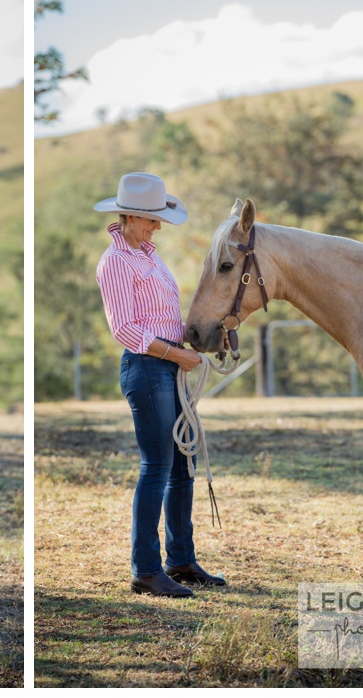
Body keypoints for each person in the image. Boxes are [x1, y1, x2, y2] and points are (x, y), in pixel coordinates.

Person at [94, 172, 227, 598]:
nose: (158, 226)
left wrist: (195, 339)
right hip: (148, 368)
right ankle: (146, 569)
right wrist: (175, 354)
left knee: (181, 466)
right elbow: (126, 329)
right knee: (157, 467)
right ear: (130, 217)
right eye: (152, 220)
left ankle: (181, 559)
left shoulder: (149, 257)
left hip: (170, 365)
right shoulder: (115, 262)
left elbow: (160, 317)